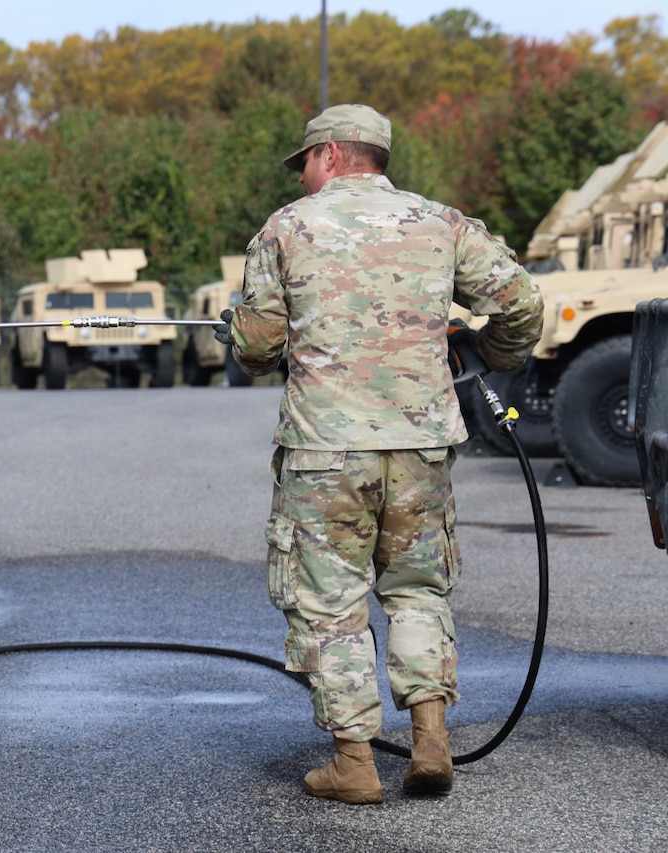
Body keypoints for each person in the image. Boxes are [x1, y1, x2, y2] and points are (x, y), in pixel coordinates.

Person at [216, 103, 543, 804]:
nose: (303, 176)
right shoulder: (442, 223)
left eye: (304, 161)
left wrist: (236, 333)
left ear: (330, 155)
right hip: (421, 444)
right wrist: (492, 354)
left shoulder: (287, 228)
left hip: (327, 449)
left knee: (331, 602)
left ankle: (355, 763)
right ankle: (430, 739)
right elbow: (523, 304)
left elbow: (258, 346)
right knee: (419, 587)